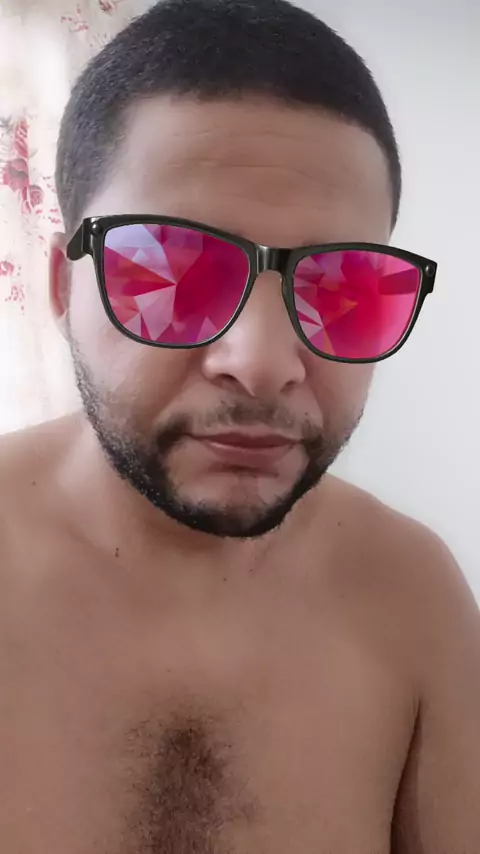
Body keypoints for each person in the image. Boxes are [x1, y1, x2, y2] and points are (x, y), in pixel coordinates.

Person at [1, 0, 478, 851]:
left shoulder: (415, 598)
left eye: (344, 288)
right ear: (65, 289)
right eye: (173, 275)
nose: (262, 364)